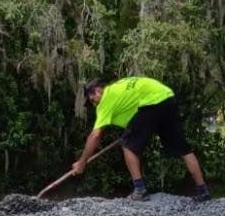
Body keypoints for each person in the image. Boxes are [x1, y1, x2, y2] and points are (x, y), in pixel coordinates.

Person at [72, 77, 210, 203]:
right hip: (167, 98)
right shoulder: (119, 88)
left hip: (152, 103)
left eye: (92, 100)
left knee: (127, 144)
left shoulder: (106, 99)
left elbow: (95, 135)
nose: (94, 105)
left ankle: (140, 190)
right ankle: (203, 191)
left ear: (97, 91)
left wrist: (82, 162)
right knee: (182, 148)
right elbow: (135, 118)